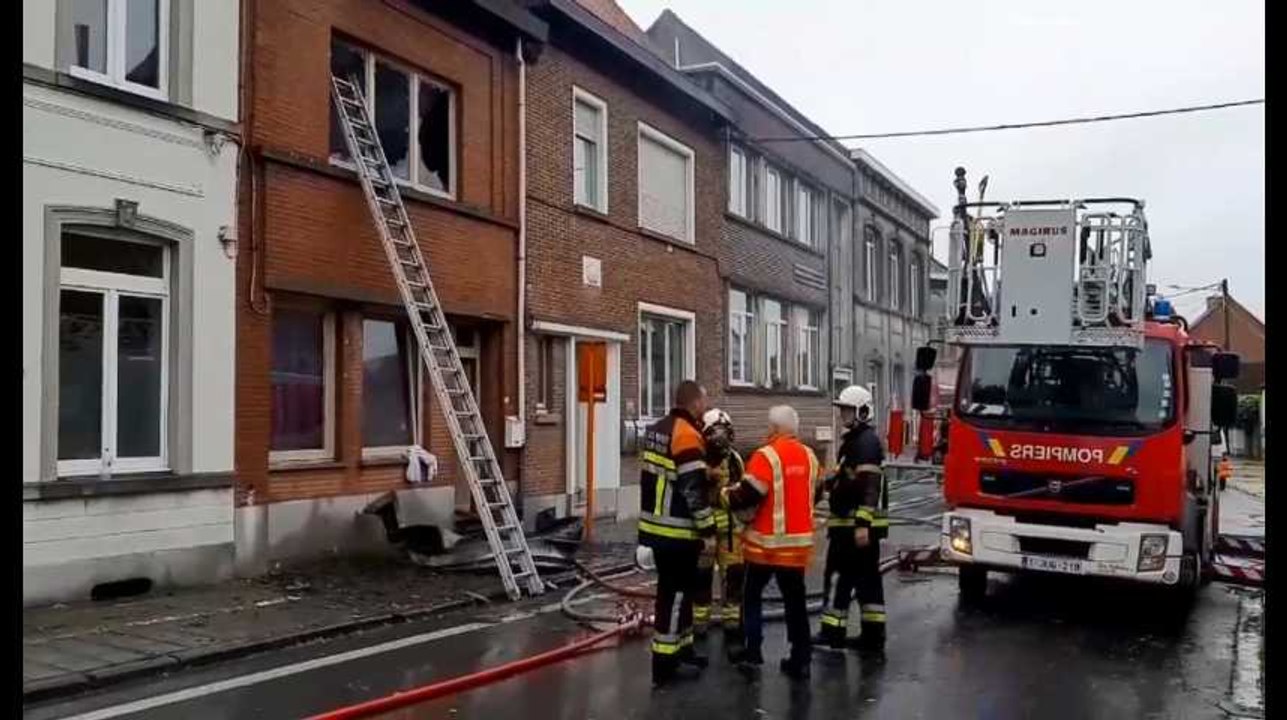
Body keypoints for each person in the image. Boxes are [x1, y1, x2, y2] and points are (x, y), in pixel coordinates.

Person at [723, 405, 820, 681]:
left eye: (768, 426)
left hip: (764, 547)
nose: (766, 430)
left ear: (775, 429)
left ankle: (752, 653)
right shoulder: (811, 457)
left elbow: (747, 496)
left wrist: (723, 494)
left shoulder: (766, 456)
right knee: (796, 603)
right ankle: (801, 659)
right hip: (797, 548)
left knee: (752, 597)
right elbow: (816, 493)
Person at [637, 380, 717, 685]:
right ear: (694, 403)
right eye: (704, 403)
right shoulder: (686, 434)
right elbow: (692, 489)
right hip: (678, 531)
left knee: (677, 595)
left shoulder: (658, 429)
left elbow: (668, 477)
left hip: (657, 528)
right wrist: (708, 530)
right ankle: (666, 663)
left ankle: (683, 651)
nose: (706, 409)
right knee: (676, 595)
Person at [815, 385, 889, 655]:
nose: (843, 414)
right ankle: (872, 637)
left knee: (837, 578)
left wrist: (861, 525)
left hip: (852, 527)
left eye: (847, 410)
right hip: (854, 526)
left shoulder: (865, 443)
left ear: (862, 411)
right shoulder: (858, 441)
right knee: (867, 581)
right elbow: (848, 477)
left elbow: (870, 486)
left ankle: (832, 632)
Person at [693, 408, 748, 656]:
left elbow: (742, 493)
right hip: (704, 534)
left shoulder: (735, 460)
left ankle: (732, 624)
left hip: (731, 534)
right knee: (701, 580)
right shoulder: (698, 461)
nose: (720, 437)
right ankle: (699, 626)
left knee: (735, 579)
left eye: (724, 431)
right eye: (715, 431)